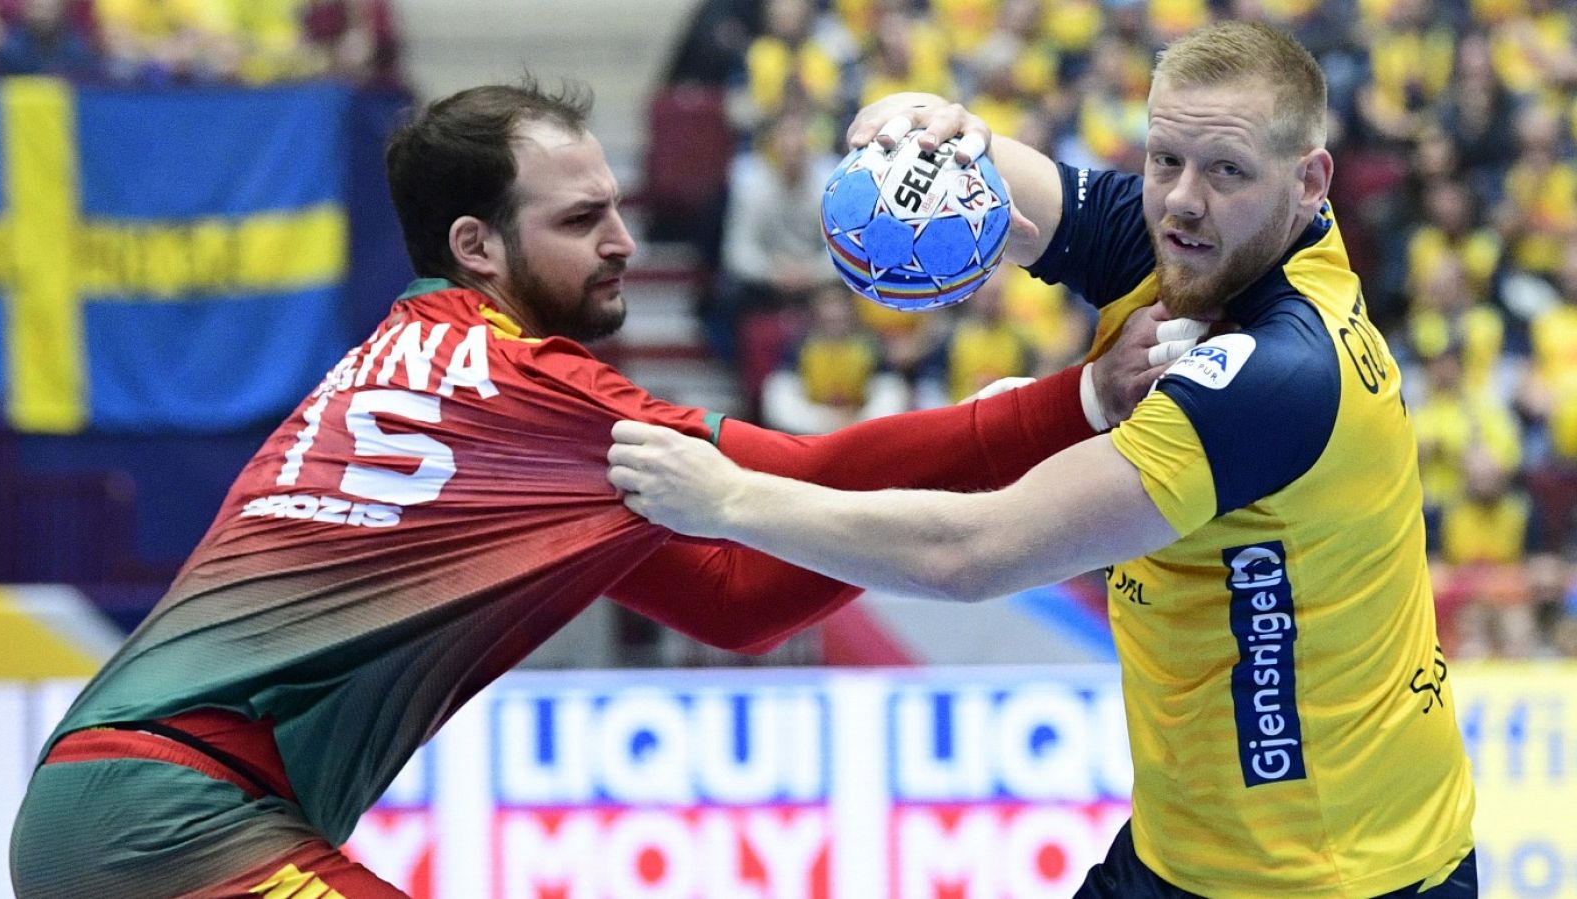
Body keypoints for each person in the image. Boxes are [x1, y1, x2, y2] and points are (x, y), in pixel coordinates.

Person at [9, 78, 1192, 898]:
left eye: (619, 204)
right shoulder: (517, 383)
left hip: (127, 805)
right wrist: (1075, 404)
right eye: (583, 219)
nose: (625, 238)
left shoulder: (432, 366)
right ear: (478, 246)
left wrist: (824, 524)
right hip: (167, 812)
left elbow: (735, 592)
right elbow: (800, 477)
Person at [608, 22, 1478, 898]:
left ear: (1310, 182)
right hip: (1192, 849)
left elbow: (972, 553)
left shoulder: (1278, 372)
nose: (1180, 199)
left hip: (1336, 874)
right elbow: (965, 156)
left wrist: (728, 502)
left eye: (1225, 171)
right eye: (1163, 159)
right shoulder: (1189, 244)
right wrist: (915, 121)